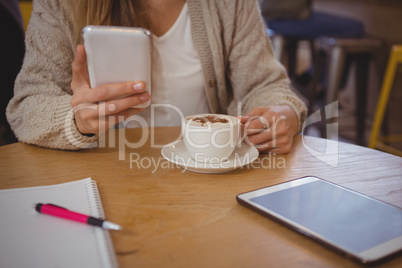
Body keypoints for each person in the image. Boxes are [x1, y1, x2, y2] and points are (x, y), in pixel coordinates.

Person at [7, 0, 307, 154]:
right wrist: (76, 121)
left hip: (204, 178)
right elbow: (26, 107)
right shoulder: (60, 5)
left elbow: (265, 87)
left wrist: (283, 114)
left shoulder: (229, 5)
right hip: (100, 178)